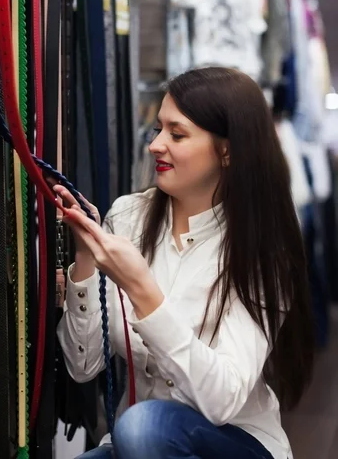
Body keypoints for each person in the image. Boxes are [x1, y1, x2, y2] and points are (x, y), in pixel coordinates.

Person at [56, 67, 314, 459]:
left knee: (143, 427)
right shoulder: (128, 218)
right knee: (135, 433)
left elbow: (222, 401)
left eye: (176, 135)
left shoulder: (261, 247)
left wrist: (144, 291)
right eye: (158, 130)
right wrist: (86, 257)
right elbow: (82, 364)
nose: (155, 145)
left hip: (233, 441)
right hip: (134, 443)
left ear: (227, 150)